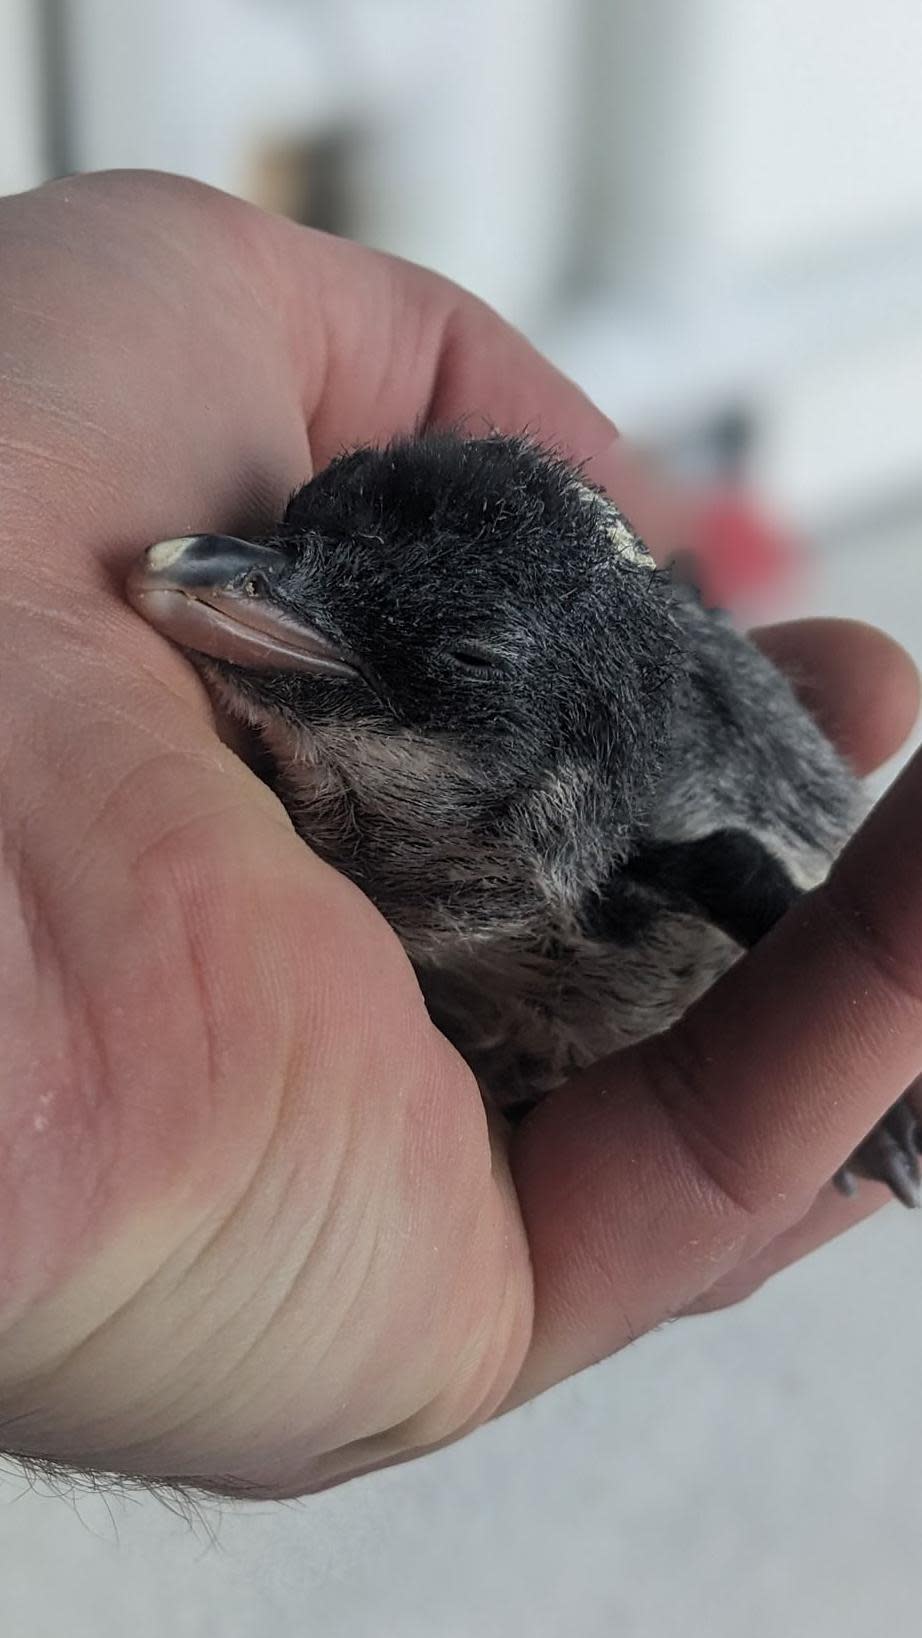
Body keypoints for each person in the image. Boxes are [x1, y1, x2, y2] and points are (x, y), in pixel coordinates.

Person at [0, 170, 918, 1499]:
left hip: (594, 931)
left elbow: (731, 873)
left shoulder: (620, 848)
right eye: (289, 543)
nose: (233, 578)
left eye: (439, 674)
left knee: (807, 1034)